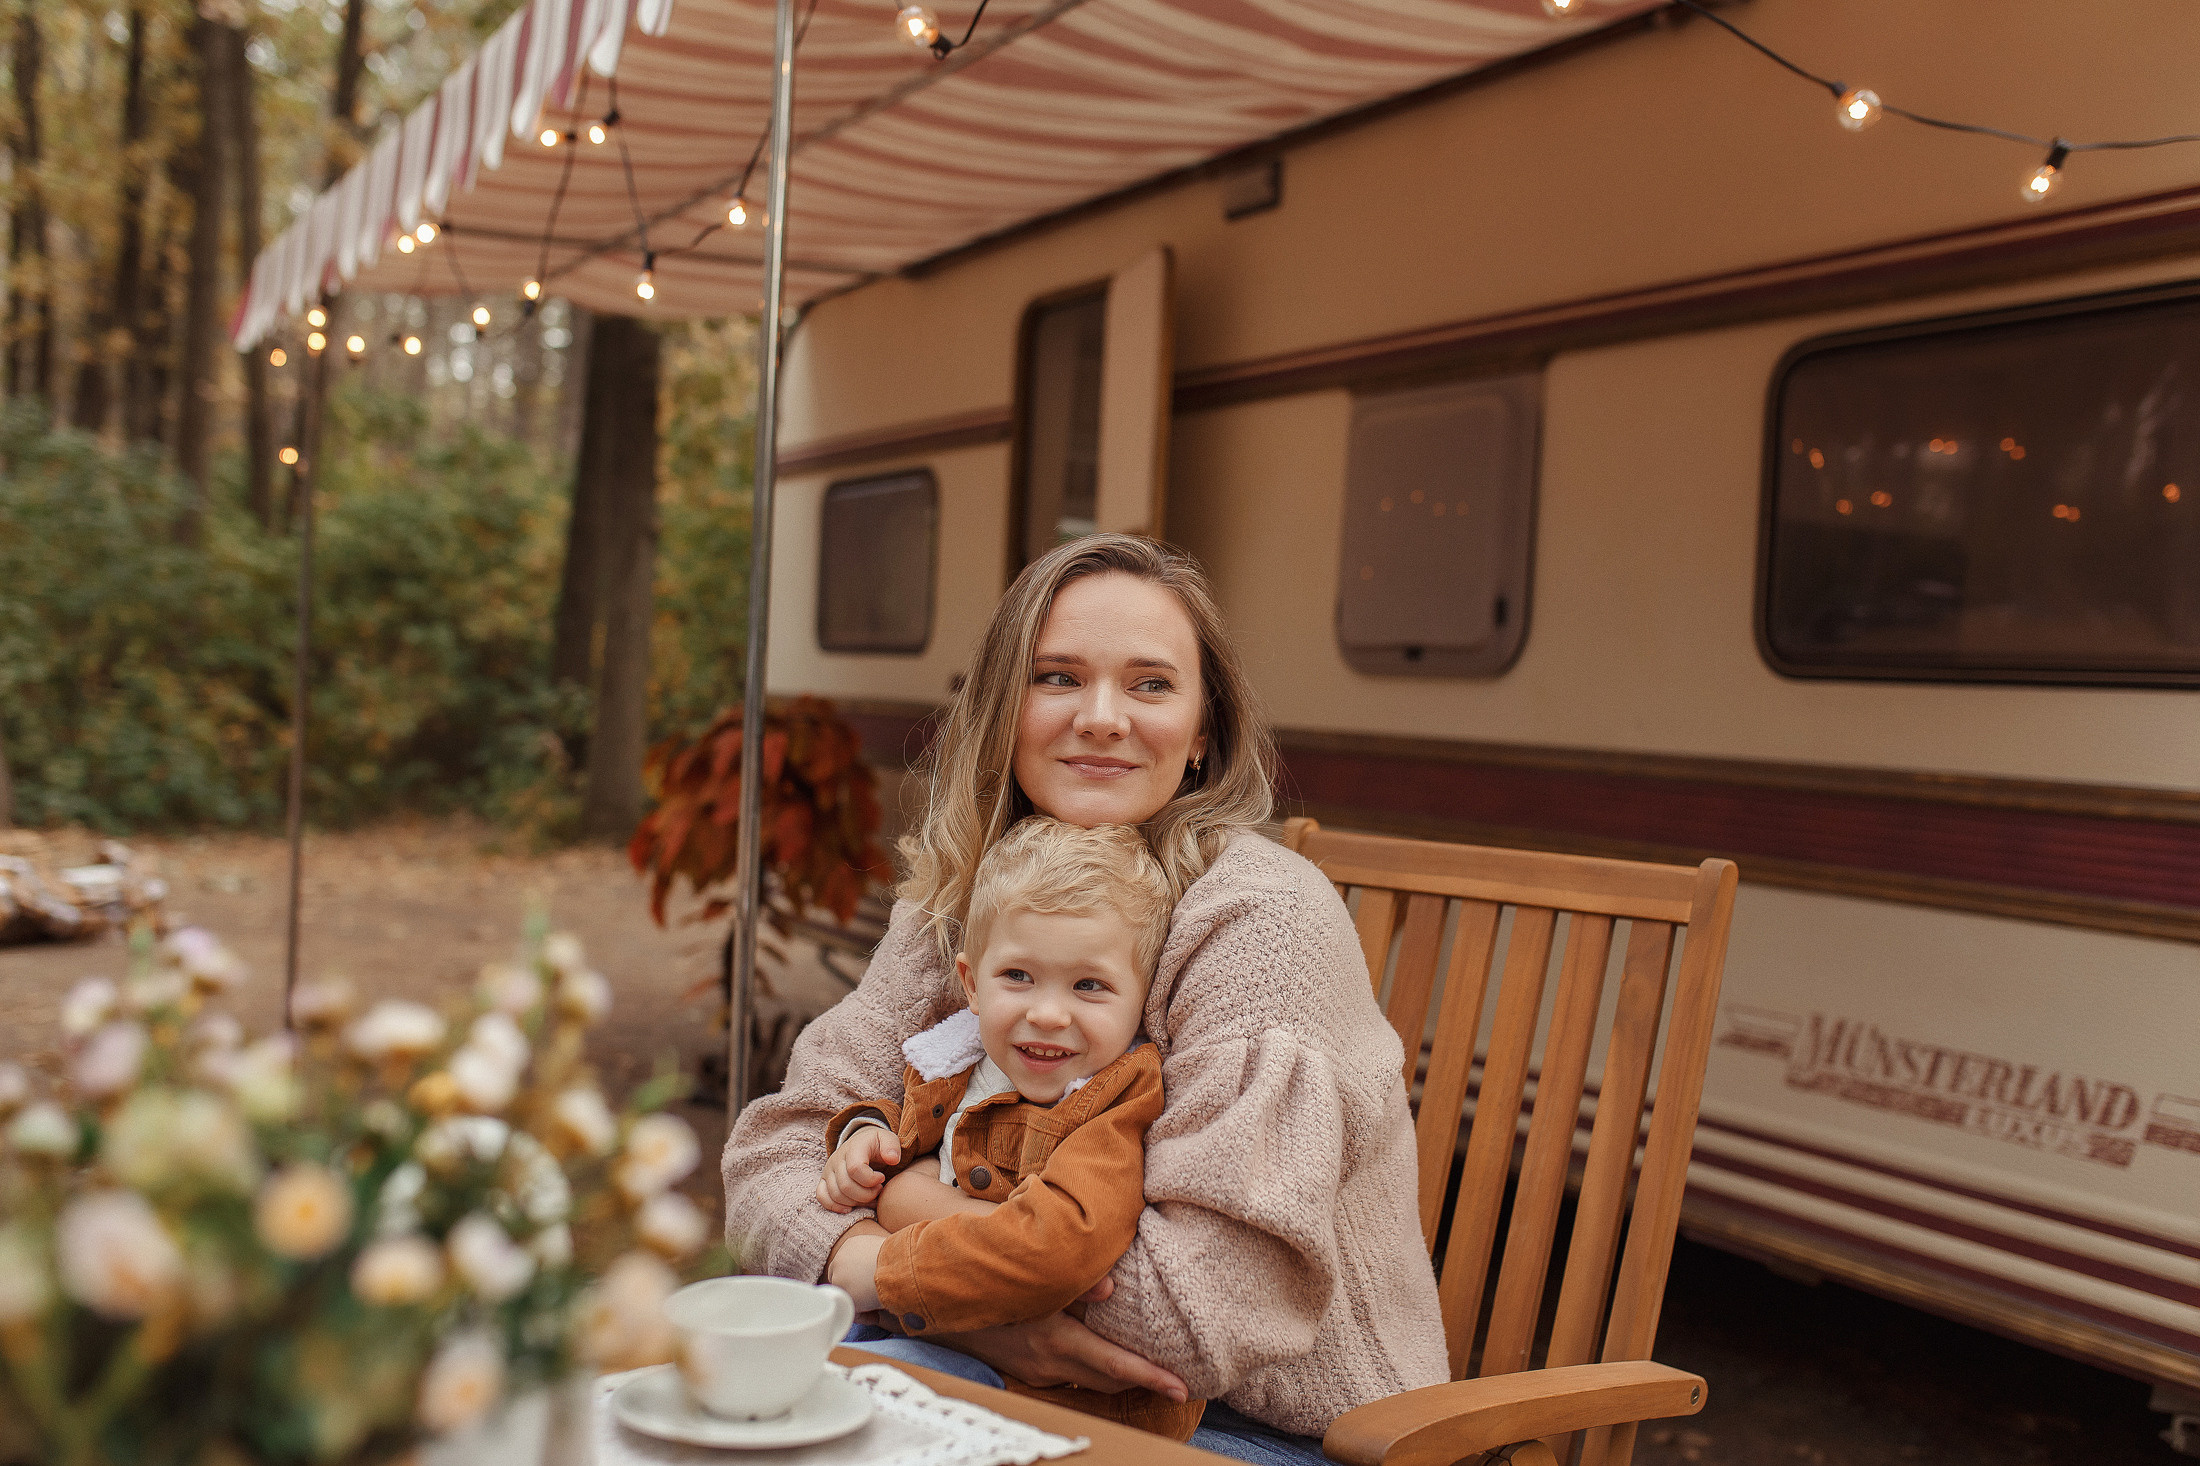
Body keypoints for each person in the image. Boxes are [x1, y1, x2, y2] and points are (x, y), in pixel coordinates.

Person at [724, 534, 1447, 1466]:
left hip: (1262, 1431)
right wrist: (978, 1313)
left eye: (1151, 685)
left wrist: (893, 1208)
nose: (1103, 718)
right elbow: (767, 1162)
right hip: (986, 1367)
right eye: (1057, 677)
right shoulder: (962, 899)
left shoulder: (1260, 920)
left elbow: (1189, 1317)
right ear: (1000, 712)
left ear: (1203, 737)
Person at [816, 816, 1203, 1438]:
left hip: (1057, 1406)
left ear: (1142, 999)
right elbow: (911, 1130)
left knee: (836, 1405)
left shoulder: (1112, 1101)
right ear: (971, 983)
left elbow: (1058, 1248)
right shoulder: (960, 1061)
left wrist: (883, 1268)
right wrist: (865, 1137)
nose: (1047, 1014)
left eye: (1090, 986)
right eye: (1017, 976)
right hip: (950, 1348)